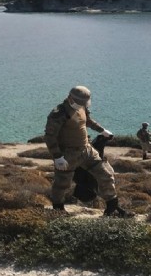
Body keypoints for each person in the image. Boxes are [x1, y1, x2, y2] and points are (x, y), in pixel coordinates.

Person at [44, 85, 132, 217]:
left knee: (106, 174)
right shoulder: (59, 113)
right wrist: (57, 157)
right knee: (62, 183)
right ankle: (58, 210)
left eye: (83, 103)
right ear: (69, 98)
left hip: (87, 150)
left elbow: (88, 121)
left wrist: (102, 130)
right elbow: (50, 137)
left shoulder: (82, 106)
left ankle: (112, 208)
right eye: (79, 102)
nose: (81, 105)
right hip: (68, 154)